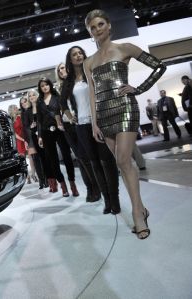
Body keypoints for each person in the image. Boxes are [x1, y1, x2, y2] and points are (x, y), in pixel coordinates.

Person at [84, 9, 166, 239]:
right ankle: (141, 208)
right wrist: (94, 123)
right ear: (90, 32)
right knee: (123, 164)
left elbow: (159, 66)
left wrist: (138, 89)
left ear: (109, 25)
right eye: (93, 27)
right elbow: (92, 93)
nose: (97, 29)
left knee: (123, 159)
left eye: (100, 24)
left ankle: (138, 214)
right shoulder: (89, 62)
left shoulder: (125, 48)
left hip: (125, 108)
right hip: (104, 116)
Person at [59, 46, 119, 211]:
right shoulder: (69, 81)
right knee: (95, 163)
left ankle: (115, 199)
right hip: (82, 126)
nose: (78, 56)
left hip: (100, 122)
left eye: (80, 53)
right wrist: (71, 117)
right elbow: (62, 103)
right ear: (70, 60)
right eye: (74, 54)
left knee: (107, 161)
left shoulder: (92, 72)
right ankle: (107, 200)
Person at [56, 61, 99, 201]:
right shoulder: (59, 87)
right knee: (80, 158)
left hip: (81, 121)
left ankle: (96, 187)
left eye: (63, 67)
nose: (62, 70)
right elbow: (60, 108)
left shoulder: (76, 82)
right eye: (59, 69)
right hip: (68, 125)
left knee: (87, 157)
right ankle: (89, 188)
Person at [35, 78, 77, 196]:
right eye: (42, 86)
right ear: (40, 88)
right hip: (46, 132)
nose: (45, 87)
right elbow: (38, 120)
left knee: (67, 156)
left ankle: (72, 184)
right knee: (53, 160)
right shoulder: (39, 101)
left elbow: (64, 111)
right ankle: (63, 186)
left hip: (60, 129)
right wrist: (39, 136)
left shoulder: (57, 97)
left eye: (46, 85)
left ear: (50, 85)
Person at [20, 96, 47, 189]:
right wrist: (26, 141)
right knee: (36, 160)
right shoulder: (23, 114)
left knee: (42, 158)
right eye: (22, 103)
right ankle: (41, 181)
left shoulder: (33, 110)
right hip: (29, 138)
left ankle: (46, 179)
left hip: (37, 136)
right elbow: (24, 128)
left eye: (25, 101)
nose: (24, 104)